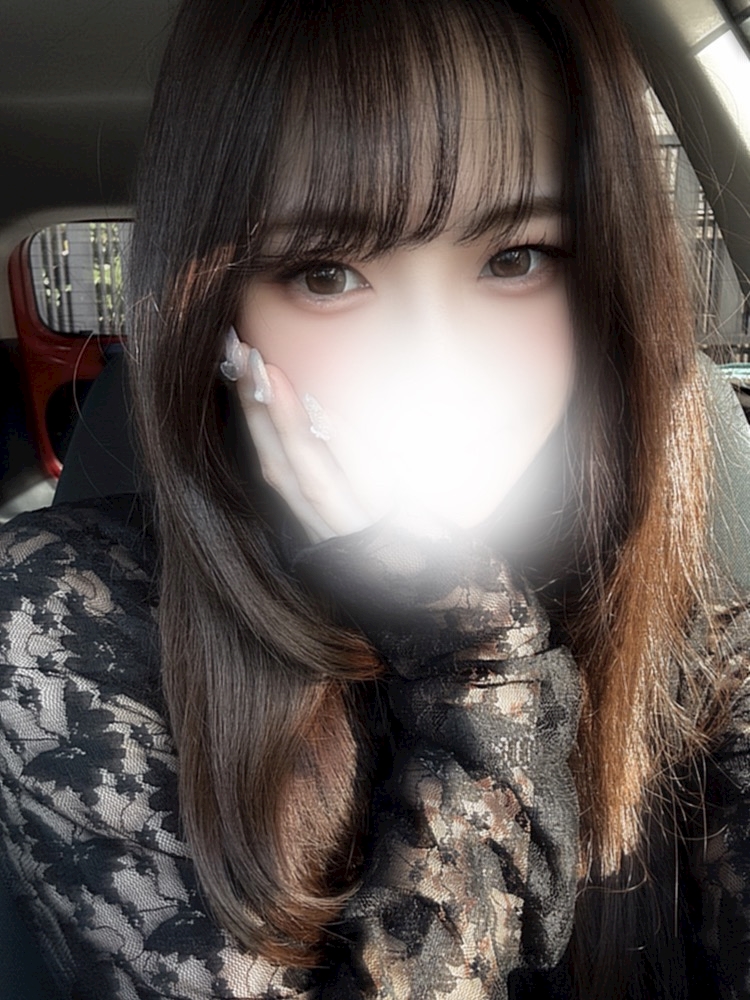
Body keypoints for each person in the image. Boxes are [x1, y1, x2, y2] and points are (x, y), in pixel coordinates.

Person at [1, 0, 749, 997]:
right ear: (221, 325)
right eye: (326, 274)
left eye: (515, 259)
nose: (436, 367)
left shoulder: (708, 662)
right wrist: (474, 653)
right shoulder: (65, 626)